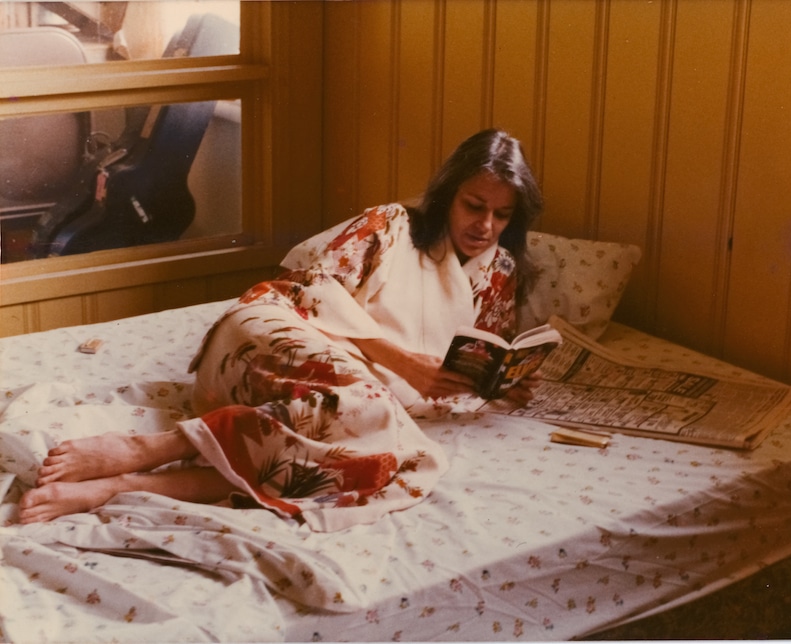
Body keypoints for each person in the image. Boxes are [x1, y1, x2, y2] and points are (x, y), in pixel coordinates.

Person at [18, 128, 544, 531]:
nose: (485, 226)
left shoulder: (498, 273)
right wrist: (400, 360)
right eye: (474, 206)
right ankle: (152, 448)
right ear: (448, 193)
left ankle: (124, 486)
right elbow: (309, 290)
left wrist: (498, 385)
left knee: (393, 457)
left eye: (501, 215)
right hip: (275, 333)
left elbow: (471, 361)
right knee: (368, 407)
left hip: (351, 399)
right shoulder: (390, 226)